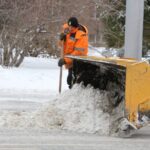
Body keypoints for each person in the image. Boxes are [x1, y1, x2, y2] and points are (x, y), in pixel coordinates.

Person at [58, 17, 88, 89]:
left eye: (72, 27)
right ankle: (72, 95)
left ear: (76, 26)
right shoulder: (67, 32)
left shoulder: (81, 35)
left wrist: (65, 60)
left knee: (75, 81)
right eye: (69, 26)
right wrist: (61, 39)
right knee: (70, 81)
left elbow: (79, 53)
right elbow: (60, 46)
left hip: (78, 63)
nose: (70, 28)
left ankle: (78, 97)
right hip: (70, 63)